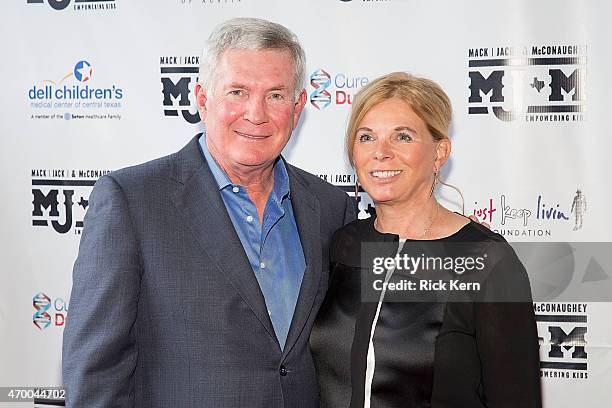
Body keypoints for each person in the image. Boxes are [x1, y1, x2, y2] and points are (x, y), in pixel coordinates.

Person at [62, 18, 356, 407]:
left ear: (298, 106)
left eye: (276, 95)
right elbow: (95, 373)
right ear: (202, 99)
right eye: (237, 91)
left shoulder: (331, 206)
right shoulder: (132, 201)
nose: (256, 113)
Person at [310, 72, 542, 408]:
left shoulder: (485, 260)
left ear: (439, 152)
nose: (381, 153)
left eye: (402, 137)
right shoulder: (342, 246)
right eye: (366, 137)